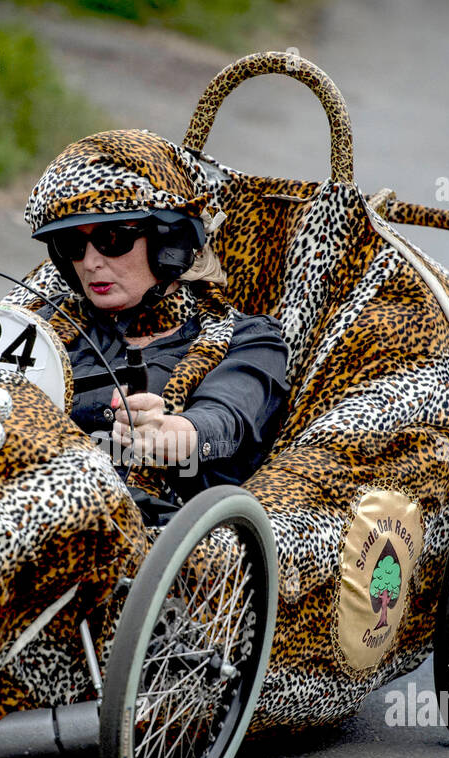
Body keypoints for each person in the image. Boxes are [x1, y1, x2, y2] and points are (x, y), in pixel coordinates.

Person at [21, 130, 290, 524]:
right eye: (72, 246)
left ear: (171, 245)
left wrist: (170, 431)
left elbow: (223, 419)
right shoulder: (46, 319)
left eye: (112, 239)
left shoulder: (248, 340)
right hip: (24, 505)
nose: (90, 262)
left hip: (148, 535)